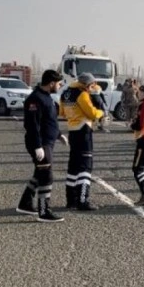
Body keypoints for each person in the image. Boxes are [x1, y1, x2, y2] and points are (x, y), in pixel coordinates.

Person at [17, 70, 67, 222]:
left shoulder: (47, 98)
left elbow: (49, 121)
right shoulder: (35, 99)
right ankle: (44, 211)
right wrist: (38, 146)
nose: (60, 86)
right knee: (46, 175)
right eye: (58, 83)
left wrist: (58, 135)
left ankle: (25, 203)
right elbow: (32, 125)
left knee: (40, 173)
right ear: (51, 83)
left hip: (47, 142)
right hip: (40, 143)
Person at [60, 72, 105, 211]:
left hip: (72, 130)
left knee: (73, 166)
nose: (93, 87)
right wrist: (101, 113)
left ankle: (71, 200)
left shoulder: (65, 93)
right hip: (84, 130)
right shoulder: (82, 94)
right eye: (92, 85)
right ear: (86, 84)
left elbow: (62, 113)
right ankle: (83, 200)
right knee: (85, 166)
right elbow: (91, 113)